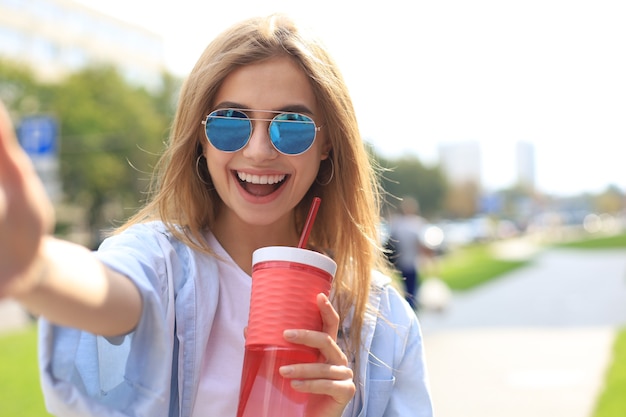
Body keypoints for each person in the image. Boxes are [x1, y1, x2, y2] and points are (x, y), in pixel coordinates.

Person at [0, 14, 433, 417]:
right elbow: (109, 289)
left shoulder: (384, 325)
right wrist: (34, 266)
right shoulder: (160, 264)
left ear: (326, 145)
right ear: (200, 141)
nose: (260, 151)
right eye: (230, 122)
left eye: (292, 125)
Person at [387, 196, 429, 310]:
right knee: (412, 288)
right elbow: (421, 245)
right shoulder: (417, 224)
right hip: (412, 261)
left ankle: (408, 306)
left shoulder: (397, 224)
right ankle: (411, 308)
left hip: (401, 262)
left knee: (406, 287)